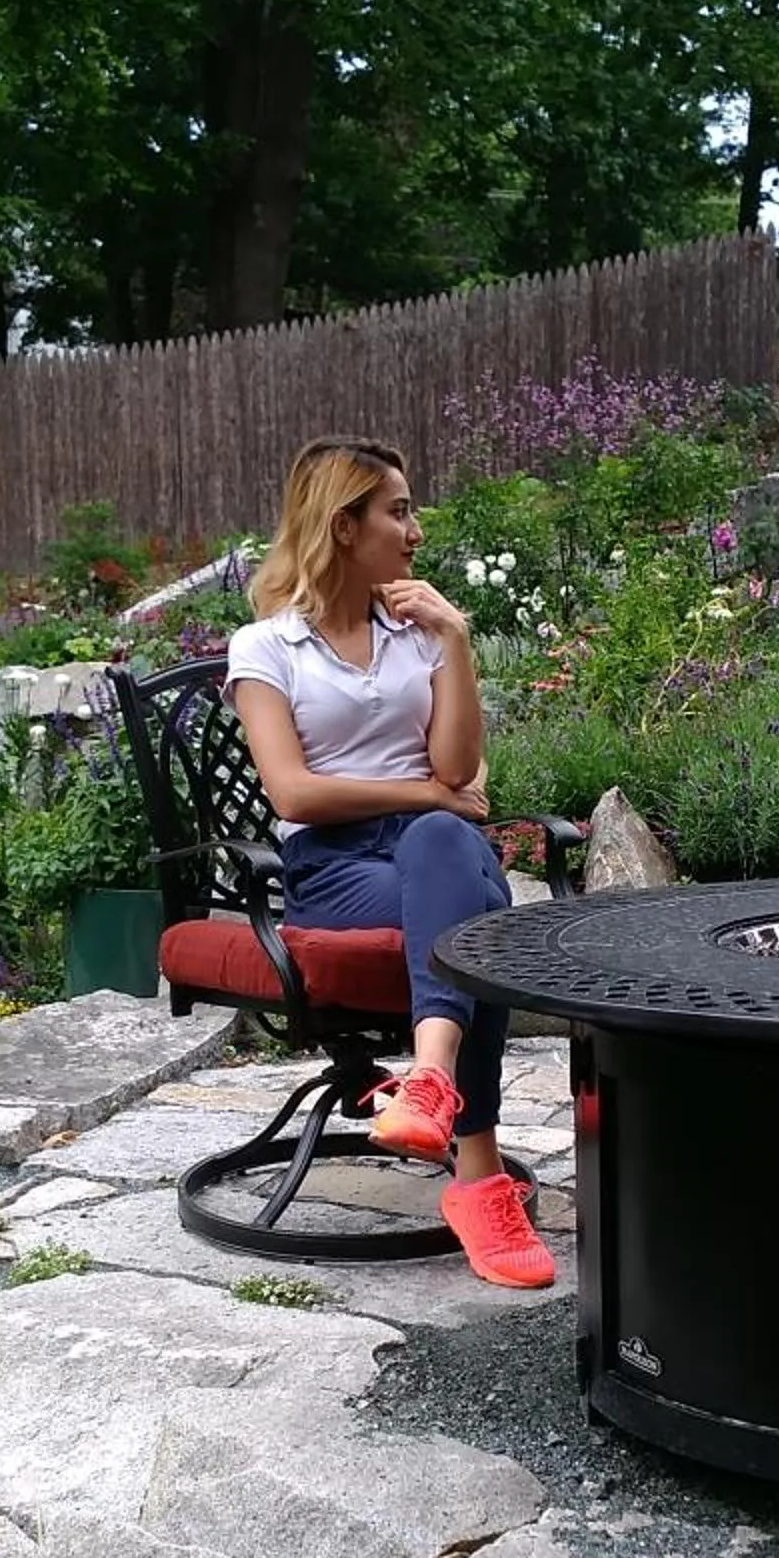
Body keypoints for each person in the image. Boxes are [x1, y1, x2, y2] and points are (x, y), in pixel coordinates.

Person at [223, 435, 553, 1290]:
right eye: (397, 511)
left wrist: (455, 639)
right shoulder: (265, 648)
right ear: (343, 525)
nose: (415, 530)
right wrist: (427, 798)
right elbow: (293, 795)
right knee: (475, 895)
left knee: (452, 850)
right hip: (332, 870)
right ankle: (476, 1178)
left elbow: (456, 768)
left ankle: (431, 1078)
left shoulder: (416, 634)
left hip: (427, 854)